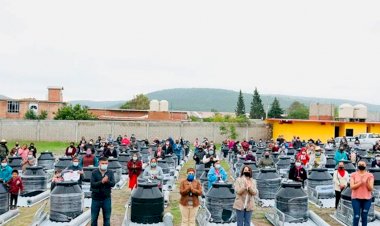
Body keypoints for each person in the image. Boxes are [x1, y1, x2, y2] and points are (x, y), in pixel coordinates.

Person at [91, 157, 116, 226]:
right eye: (103, 163)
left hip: (106, 198)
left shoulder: (110, 172)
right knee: (94, 218)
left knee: (107, 218)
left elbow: (113, 184)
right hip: (96, 199)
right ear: (99, 163)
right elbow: (93, 185)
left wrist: (107, 181)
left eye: (106, 163)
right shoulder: (94, 172)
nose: (104, 165)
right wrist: (101, 181)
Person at [350, 161, 374, 226]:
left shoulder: (370, 175)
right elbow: (352, 187)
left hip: (367, 199)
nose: (361, 165)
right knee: (356, 216)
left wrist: (366, 183)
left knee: (364, 216)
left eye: (363, 164)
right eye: (359, 164)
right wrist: (361, 182)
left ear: (365, 165)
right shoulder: (353, 175)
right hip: (356, 198)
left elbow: (371, 188)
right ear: (357, 165)